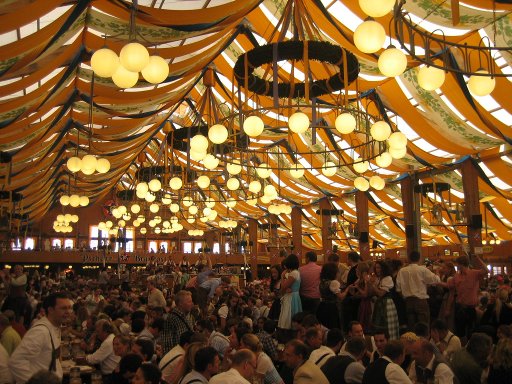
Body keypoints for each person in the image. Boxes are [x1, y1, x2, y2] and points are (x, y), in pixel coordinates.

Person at [9, 292, 72, 383]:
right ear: (50, 310)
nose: (68, 312)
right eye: (63, 308)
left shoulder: (55, 327)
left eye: (69, 308)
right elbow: (16, 361)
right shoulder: (40, 331)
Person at [395, 251, 440, 330]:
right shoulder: (422, 270)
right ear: (419, 259)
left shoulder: (402, 271)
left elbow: (398, 289)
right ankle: (424, 341)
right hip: (421, 301)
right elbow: (436, 280)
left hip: (408, 301)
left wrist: (405, 298)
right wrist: (437, 273)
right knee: (423, 326)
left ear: (409, 259)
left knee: (412, 327)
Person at [446, 255, 487, 341]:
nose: (457, 266)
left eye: (457, 264)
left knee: (471, 331)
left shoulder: (474, 273)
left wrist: (478, 258)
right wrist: (437, 282)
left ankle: (470, 348)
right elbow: (450, 290)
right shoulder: (456, 276)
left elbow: (486, 270)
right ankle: (462, 348)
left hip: (471, 308)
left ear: (461, 264)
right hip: (460, 307)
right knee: (459, 332)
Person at [370, 261, 399, 340]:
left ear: (384, 268)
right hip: (380, 304)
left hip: (386, 304)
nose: (377, 270)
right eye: (376, 268)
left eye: (379, 267)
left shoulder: (388, 279)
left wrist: (373, 285)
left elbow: (381, 294)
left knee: (387, 326)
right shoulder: (379, 279)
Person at [317, 262, 350, 330]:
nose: (338, 274)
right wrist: (347, 289)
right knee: (332, 326)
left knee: (324, 326)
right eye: (337, 272)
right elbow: (341, 297)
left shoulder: (322, 282)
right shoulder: (333, 283)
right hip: (331, 308)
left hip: (322, 305)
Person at [278, 254, 302, 330]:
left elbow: (283, 286)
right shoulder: (296, 272)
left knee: (288, 316)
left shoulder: (294, 273)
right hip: (293, 295)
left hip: (291, 296)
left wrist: (282, 276)